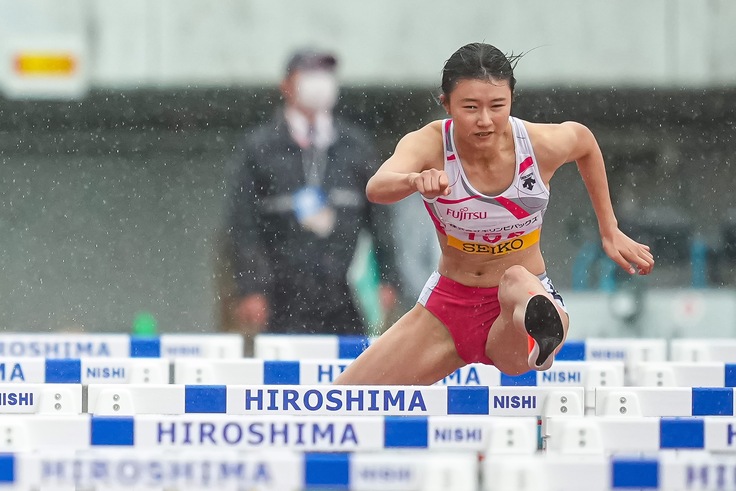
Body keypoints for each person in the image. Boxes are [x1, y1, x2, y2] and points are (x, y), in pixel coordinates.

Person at [335, 43, 654, 385]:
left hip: (512, 312)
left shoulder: (537, 144)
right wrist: (414, 180)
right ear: (446, 104)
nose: (485, 121)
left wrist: (609, 229)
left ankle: (545, 324)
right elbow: (377, 187)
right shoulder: (430, 144)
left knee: (516, 279)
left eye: (497, 106)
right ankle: (541, 322)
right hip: (447, 309)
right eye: (470, 107)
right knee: (344, 397)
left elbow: (584, 142)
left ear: (512, 100)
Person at [225, 48, 399, 336]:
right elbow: (243, 224)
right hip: (281, 294)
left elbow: (381, 217)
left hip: (346, 291)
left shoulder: (355, 146)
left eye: (325, 75)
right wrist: (251, 288)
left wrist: (388, 278)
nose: (319, 83)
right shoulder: (260, 147)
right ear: (286, 86)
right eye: (308, 74)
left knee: (351, 369)